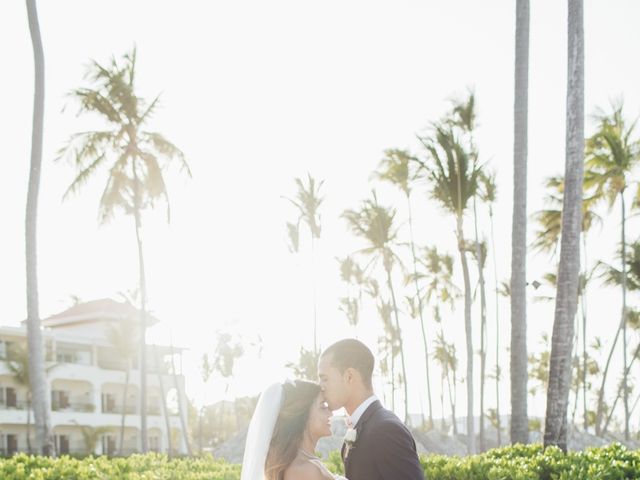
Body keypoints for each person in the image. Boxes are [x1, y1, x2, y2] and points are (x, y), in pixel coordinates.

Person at [318, 339, 423, 480]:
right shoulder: (362, 426)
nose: (321, 387)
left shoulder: (386, 430)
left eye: (325, 379)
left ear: (349, 377)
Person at [241, 379, 348, 480]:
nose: (331, 413)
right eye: (323, 406)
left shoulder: (307, 463)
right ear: (303, 414)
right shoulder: (304, 470)